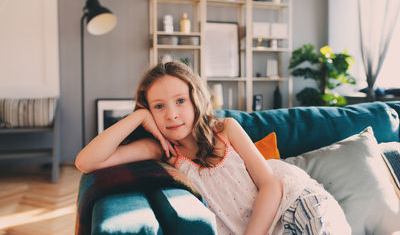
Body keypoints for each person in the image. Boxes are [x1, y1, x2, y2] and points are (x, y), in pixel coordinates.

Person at [75, 61, 351, 235]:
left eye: (180, 101)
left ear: (196, 99)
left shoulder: (226, 129)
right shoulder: (160, 150)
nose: (171, 114)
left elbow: (271, 185)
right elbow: (86, 161)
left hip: (292, 202)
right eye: (159, 106)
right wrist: (137, 117)